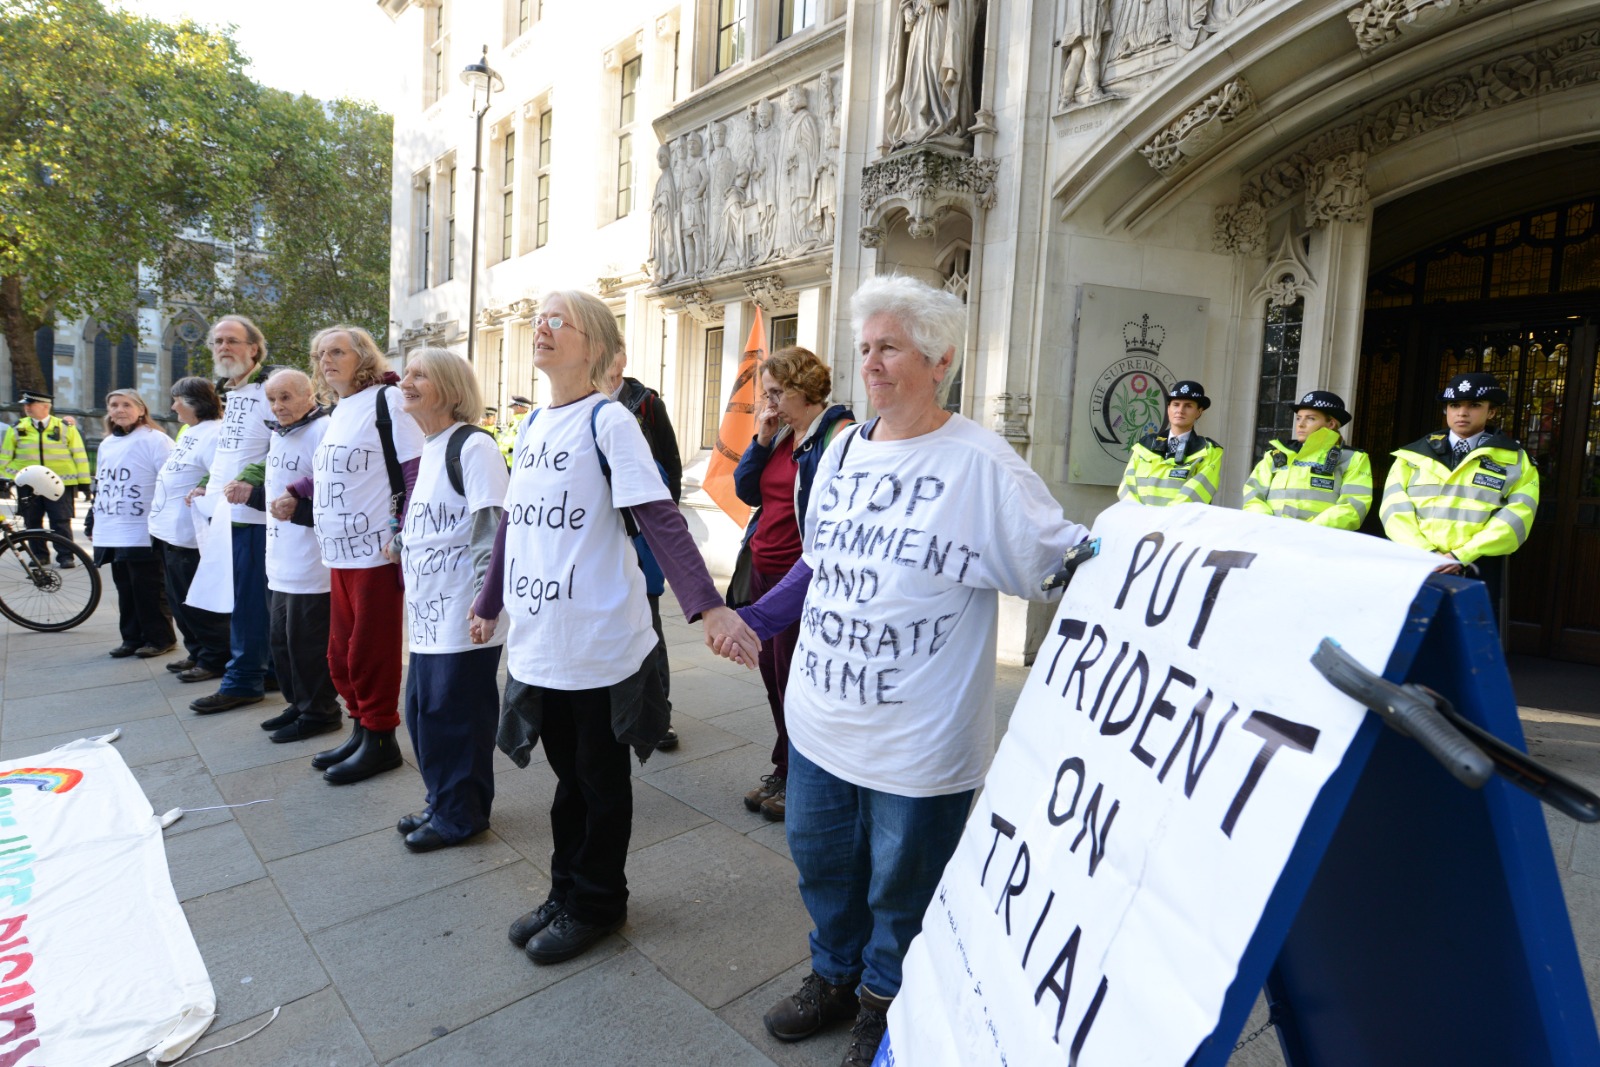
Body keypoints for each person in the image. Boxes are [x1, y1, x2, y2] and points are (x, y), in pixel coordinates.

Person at [713, 275, 1091, 1067]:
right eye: (865, 348)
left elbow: (1067, 559)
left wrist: (1165, 547)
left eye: (889, 346)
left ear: (939, 356)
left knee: (902, 884)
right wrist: (753, 618)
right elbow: (819, 563)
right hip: (820, 722)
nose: (871, 363)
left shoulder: (981, 463)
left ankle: (887, 1001)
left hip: (918, 742)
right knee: (820, 861)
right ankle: (834, 973)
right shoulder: (844, 450)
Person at [467, 289, 757, 968]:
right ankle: (565, 887)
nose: (540, 327)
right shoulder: (536, 423)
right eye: (536, 317)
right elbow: (516, 523)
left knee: (598, 779)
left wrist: (708, 606)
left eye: (556, 320)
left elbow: (658, 514)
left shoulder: (610, 421)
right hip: (543, 639)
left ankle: (598, 900)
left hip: (597, 642)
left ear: (593, 345)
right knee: (566, 776)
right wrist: (489, 601)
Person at [274, 325, 422, 784]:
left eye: (337, 351)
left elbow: (415, 469)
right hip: (337, 551)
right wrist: (297, 490)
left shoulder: (389, 402)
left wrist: (405, 536)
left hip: (377, 553)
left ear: (363, 357)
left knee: (369, 653)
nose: (326, 361)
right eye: (320, 354)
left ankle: (381, 739)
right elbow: (334, 471)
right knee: (339, 654)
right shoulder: (341, 410)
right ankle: (361, 730)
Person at [391, 348, 509, 851]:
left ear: (451, 389)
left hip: (462, 611)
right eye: (407, 373)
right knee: (422, 711)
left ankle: (460, 814)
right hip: (428, 611)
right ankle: (443, 798)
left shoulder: (472, 446)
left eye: (421, 375)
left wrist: (487, 602)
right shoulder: (433, 446)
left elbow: (493, 525)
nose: (406, 381)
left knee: (453, 716)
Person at [731, 346, 854, 821]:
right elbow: (746, 490)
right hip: (762, 569)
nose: (770, 403)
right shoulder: (782, 433)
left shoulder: (837, 436)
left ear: (805, 389)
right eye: (767, 394)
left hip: (798, 578)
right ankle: (786, 766)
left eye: (777, 393)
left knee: (793, 684)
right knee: (772, 679)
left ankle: (800, 777)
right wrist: (761, 441)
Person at [1382, 371, 1539, 625]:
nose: (1462, 413)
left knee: (1468, 645)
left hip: (1477, 566)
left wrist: (1461, 556)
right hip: (1417, 562)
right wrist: (1427, 554)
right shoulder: (1412, 455)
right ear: (1446, 410)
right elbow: (1393, 510)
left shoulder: (1516, 460)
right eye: (1454, 405)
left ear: (1492, 413)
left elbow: (1518, 517)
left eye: (1474, 405)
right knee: (1409, 641)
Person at [189, 315, 279, 715]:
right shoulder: (233, 392)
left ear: (253, 349)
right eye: (217, 342)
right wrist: (208, 482)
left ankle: (242, 680)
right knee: (246, 599)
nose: (223, 348)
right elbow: (231, 451)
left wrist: (249, 479)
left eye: (232, 341)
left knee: (246, 603)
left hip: (253, 515)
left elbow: (282, 446)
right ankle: (269, 671)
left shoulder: (270, 390)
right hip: (225, 512)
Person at [249, 369, 340, 743]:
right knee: (281, 642)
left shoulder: (323, 431)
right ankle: (298, 703)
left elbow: (337, 491)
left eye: (286, 397)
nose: (278, 405)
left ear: (309, 395)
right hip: (281, 558)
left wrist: (299, 512)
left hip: (311, 561)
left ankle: (321, 711)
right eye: (272, 399)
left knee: (307, 644)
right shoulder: (280, 435)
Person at [605, 346, 684, 752]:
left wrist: (658, 528)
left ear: (621, 358)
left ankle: (659, 716)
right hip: (601, 537)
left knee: (648, 621)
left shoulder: (646, 403)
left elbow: (669, 465)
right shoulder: (580, 403)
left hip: (640, 534)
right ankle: (617, 707)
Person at [147, 377, 231, 681]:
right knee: (177, 599)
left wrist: (202, 487)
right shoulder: (191, 431)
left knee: (197, 602)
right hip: (169, 530)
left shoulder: (216, 433)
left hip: (191, 534)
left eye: (178, 399)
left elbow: (219, 476)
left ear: (195, 402)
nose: (173, 406)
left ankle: (214, 658)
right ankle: (197, 651)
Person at [91, 389, 176, 658]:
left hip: (143, 527)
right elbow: (102, 483)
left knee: (148, 586)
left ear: (141, 410)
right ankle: (131, 637)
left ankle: (159, 637)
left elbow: (170, 479)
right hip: (113, 526)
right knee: (124, 585)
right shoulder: (107, 444)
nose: (119, 409)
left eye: (126, 404)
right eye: (113, 405)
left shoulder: (155, 440)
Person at [1241, 390, 1373, 530]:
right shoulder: (1275, 454)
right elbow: (1253, 495)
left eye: (1310, 418)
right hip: (1271, 538)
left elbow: (1353, 506)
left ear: (1331, 424)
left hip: (1318, 544)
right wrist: (1269, 526)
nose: (1300, 424)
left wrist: (1308, 532)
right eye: (1298, 418)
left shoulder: (1353, 458)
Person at [0, 390, 91, 564]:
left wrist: (84, 483)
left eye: (30, 404)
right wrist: (3, 478)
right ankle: (39, 556)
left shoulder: (65, 428)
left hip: (61, 483)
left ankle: (66, 556)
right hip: (28, 484)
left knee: (60, 520)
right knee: (32, 521)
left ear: (45, 406)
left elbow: (79, 456)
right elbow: (5, 456)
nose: (26, 407)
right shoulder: (17, 427)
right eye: (25, 404)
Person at [1118, 380, 1223, 506]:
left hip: (1179, 524)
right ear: (1168, 409)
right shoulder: (1145, 445)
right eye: (1176, 404)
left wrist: (1164, 520)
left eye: (1188, 405)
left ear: (1199, 412)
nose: (1180, 410)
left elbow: (1195, 495)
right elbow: (1126, 487)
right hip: (1141, 522)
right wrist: (1140, 517)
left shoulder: (1209, 451)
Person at [497, 394, 531, 463]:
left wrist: (504, 448)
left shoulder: (527, 422)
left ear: (518, 407)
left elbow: (514, 443)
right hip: (508, 463)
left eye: (512, 408)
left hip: (517, 463)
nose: (511, 411)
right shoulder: (514, 422)